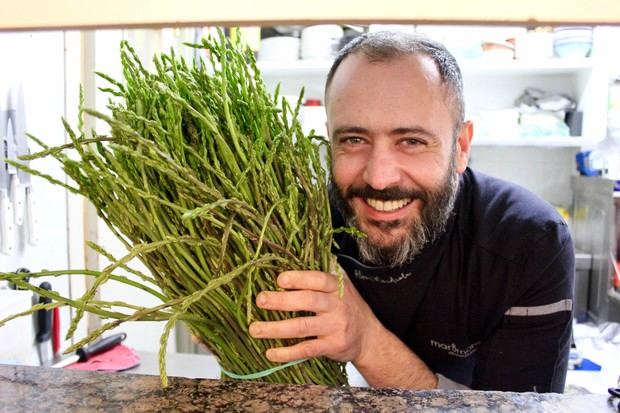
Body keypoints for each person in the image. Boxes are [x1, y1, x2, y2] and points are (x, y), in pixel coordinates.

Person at [248, 31, 575, 392]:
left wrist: (367, 341)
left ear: (461, 146)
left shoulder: (528, 241)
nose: (379, 177)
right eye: (354, 140)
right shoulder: (286, 225)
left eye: (412, 142)